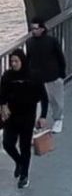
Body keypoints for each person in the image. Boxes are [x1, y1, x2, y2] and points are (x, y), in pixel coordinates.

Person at [0, 50, 48, 188]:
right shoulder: (7, 76)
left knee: (25, 146)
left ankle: (24, 176)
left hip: (27, 116)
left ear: (22, 61)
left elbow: (44, 97)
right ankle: (19, 162)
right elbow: (1, 95)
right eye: (12, 61)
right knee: (7, 143)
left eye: (16, 61)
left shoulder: (34, 76)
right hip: (11, 116)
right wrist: (3, 106)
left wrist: (43, 116)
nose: (14, 64)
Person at [25, 19, 66, 135]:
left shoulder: (52, 41)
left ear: (42, 29)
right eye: (32, 28)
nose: (33, 31)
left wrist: (61, 74)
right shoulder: (29, 42)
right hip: (36, 77)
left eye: (36, 28)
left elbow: (60, 57)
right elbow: (28, 59)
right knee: (37, 101)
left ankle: (58, 120)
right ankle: (38, 122)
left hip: (52, 75)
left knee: (55, 100)